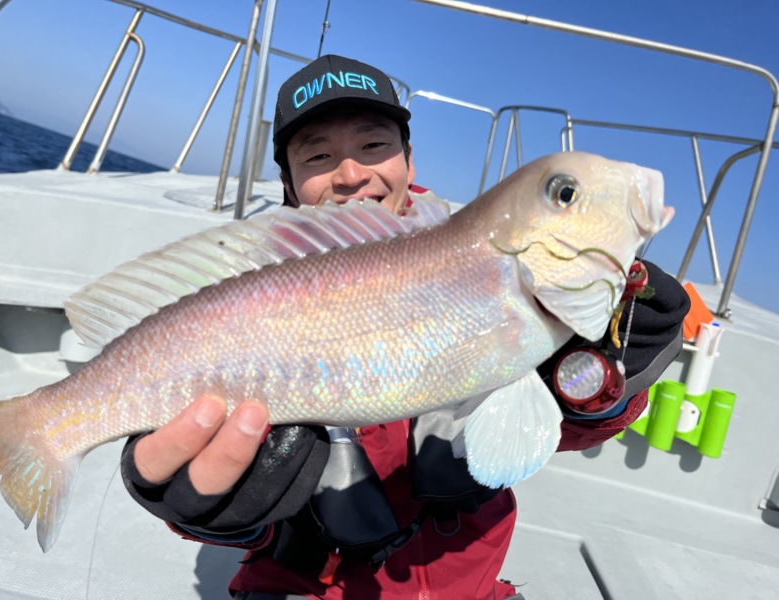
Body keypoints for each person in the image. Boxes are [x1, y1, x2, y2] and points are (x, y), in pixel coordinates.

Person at [121, 55, 690, 599]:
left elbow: (537, 435)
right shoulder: (256, 286)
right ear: (291, 185)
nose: (350, 173)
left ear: (408, 161)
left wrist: (604, 387)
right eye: (316, 156)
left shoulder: (500, 265)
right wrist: (207, 512)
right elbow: (234, 501)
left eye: (373, 145)